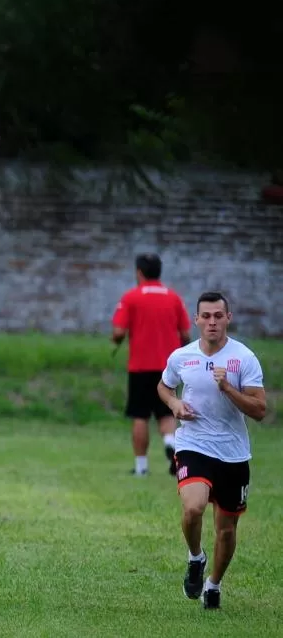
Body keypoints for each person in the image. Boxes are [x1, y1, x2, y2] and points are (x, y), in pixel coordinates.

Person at [157, 291, 266, 610]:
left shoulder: (243, 358)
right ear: (196, 319)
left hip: (233, 453)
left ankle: (214, 584)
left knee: (227, 529)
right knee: (193, 508)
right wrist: (175, 403)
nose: (212, 322)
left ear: (228, 318)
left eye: (218, 316)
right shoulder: (183, 357)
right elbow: (164, 385)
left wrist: (228, 388)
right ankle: (195, 557)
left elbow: (260, 410)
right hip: (194, 443)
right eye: (206, 316)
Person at [111, 253, 191, 476]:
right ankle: (170, 441)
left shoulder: (131, 297)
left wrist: (117, 340)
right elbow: (185, 333)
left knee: (140, 415)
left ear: (139, 272)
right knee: (166, 412)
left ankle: (141, 467)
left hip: (140, 366)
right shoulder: (174, 298)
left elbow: (118, 331)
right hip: (169, 366)